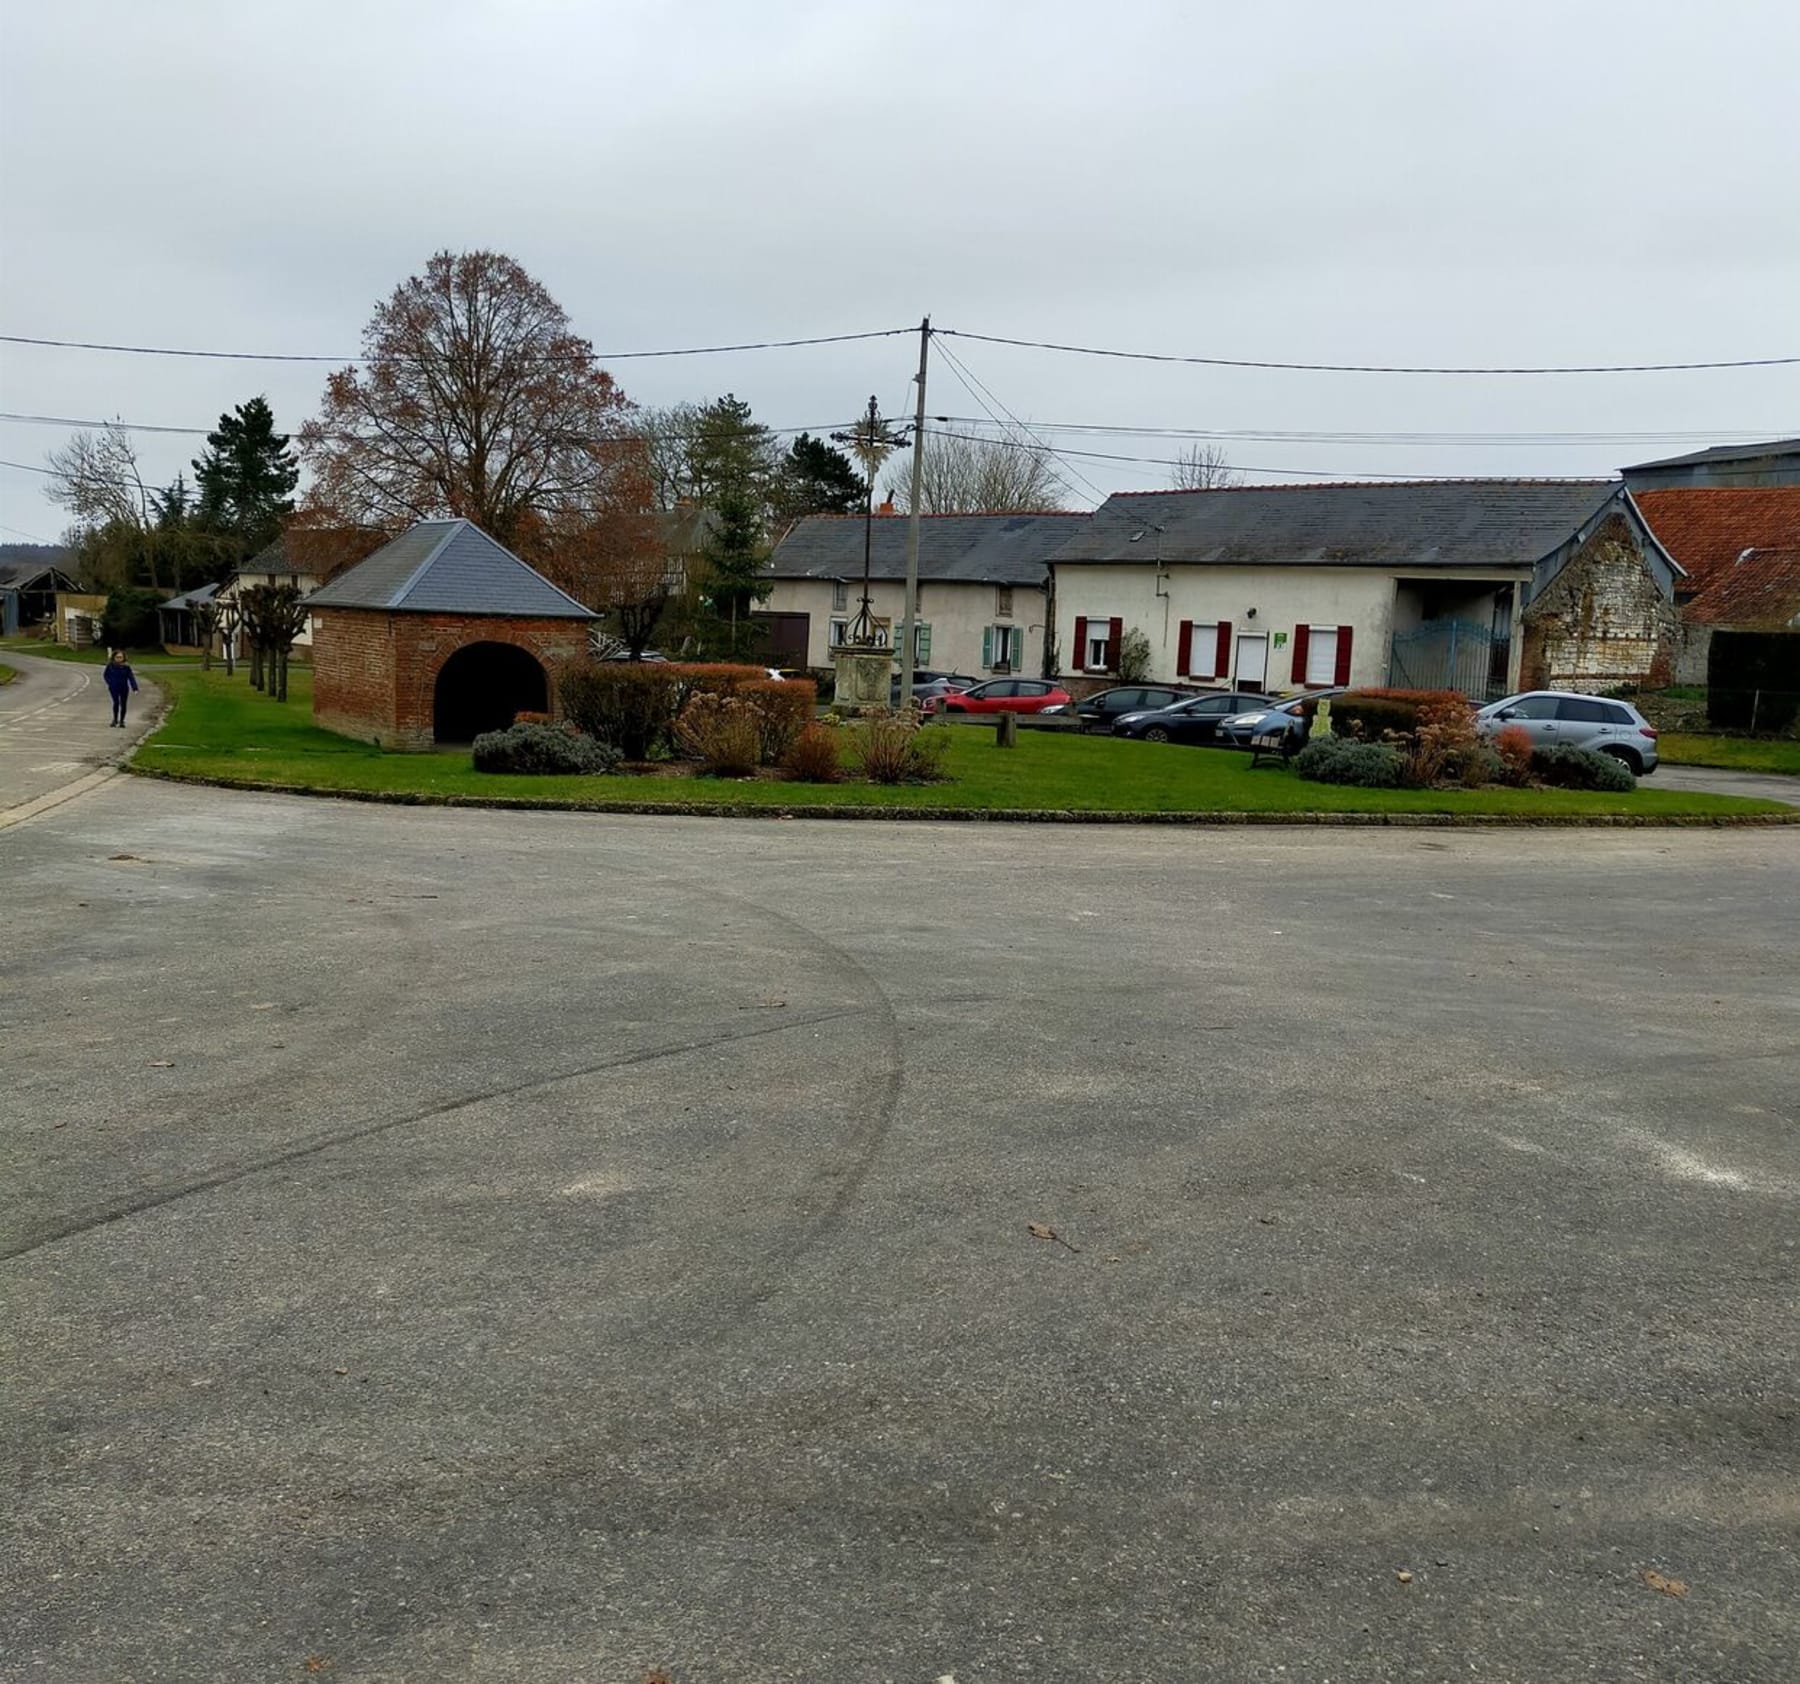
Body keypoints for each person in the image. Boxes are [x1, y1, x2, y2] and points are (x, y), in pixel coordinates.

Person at [103, 650, 139, 727]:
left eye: (120, 657)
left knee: (123, 704)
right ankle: (115, 719)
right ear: (114, 658)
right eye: (117, 657)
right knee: (116, 702)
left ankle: (122, 721)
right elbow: (106, 675)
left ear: (123, 658)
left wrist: (134, 688)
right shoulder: (110, 666)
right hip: (113, 688)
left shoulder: (126, 667)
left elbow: (131, 677)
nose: (119, 659)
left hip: (123, 688)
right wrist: (110, 682)